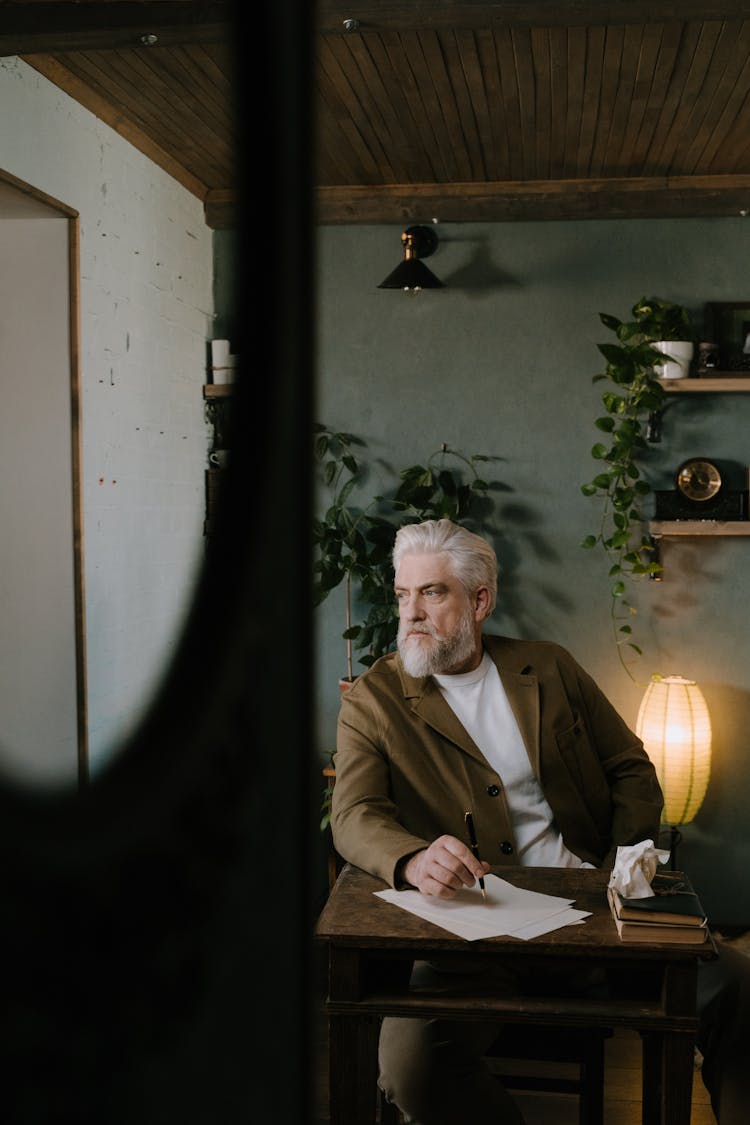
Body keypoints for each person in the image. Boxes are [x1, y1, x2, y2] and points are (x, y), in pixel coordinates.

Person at [331, 517, 749, 1125]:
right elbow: (354, 814)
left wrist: (616, 864)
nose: (411, 612)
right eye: (403, 595)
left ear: (480, 600)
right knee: (411, 1064)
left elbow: (630, 766)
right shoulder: (374, 700)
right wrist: (414, 859)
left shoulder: (547, 667)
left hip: (599, 920)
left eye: (432, 592)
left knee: (737, 990)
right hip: (468, 941)